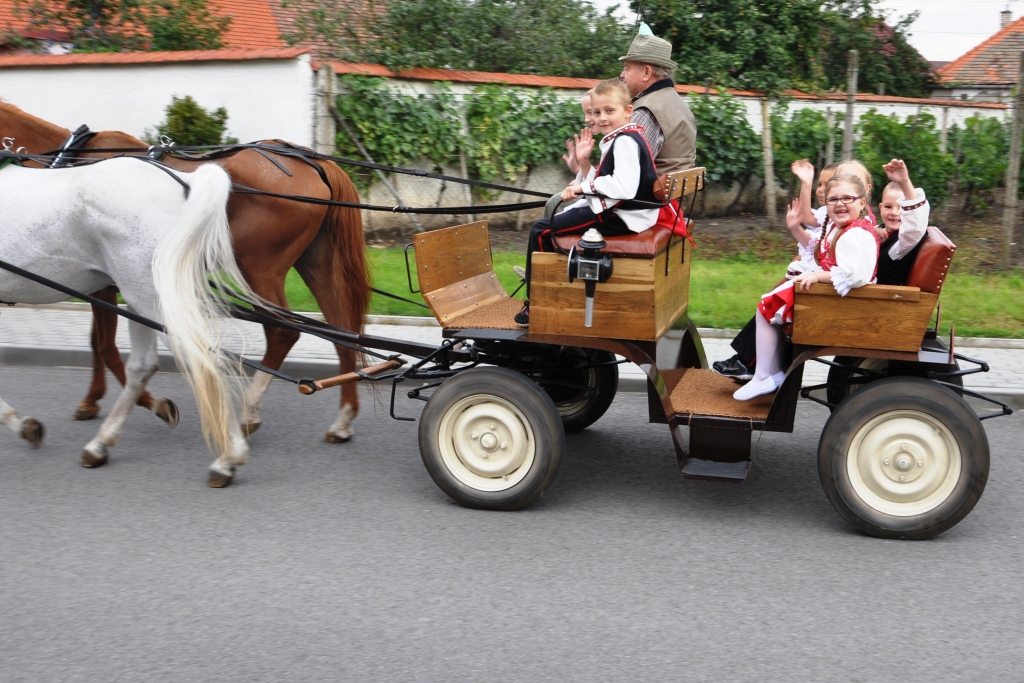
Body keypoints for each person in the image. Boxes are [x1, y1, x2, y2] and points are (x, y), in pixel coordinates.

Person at [514, 79, 660, 327]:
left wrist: (581, 188)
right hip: (623, 212)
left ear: (628, 111)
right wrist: (583, 166)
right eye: (597, 112)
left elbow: (624, 188)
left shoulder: (624, 141)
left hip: (621, 216)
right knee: (551, 224)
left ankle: (537, 303)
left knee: (541, 230)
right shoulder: (625, 136)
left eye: (609, 111)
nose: (602, 118)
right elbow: (607, 182)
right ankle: (553, 286)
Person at [733, 173, 880, 401]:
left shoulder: (856, 234)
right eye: (833, 199)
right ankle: (771, 374)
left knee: (767, 308)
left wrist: (818, 275)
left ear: (862, 202)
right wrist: (796, 230)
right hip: (833, 295)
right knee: (769, 308)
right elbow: (820, 250)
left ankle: (764, 375)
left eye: (847, 198)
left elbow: (854, 276)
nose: (840, 204)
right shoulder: (841, 228)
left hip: (843, 301)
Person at [618, 24, 697, 174]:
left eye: (627, 68)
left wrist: (584, 177)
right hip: (675, 188)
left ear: (646, 73)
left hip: (649, 190)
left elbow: (624, 172)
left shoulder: (646, 112)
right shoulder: (677, 102)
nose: (622, 75)